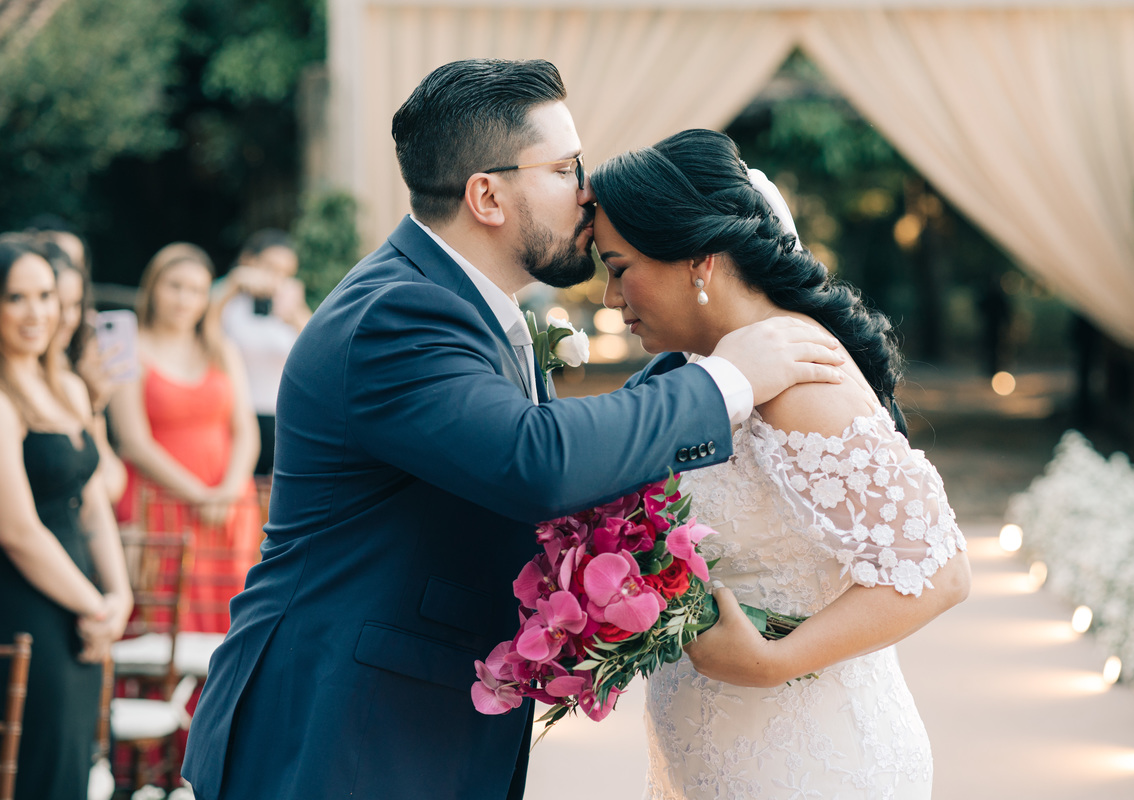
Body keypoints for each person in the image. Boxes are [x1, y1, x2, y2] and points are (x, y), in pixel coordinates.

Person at [182, 58, 846, 800]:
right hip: (341, 731)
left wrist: (706, 344)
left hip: (401, 720)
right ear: (487, 195)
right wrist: (727, 381)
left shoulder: (460, 302)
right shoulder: (396, 315)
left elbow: (532, 437)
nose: (589, 189)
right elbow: (535, 460)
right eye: (566, 167)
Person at [590, 129, 971, 799]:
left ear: (698, 261)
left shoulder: (801, 377)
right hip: (711, 754)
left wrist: (773, 661)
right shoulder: (694, 374)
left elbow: (940, 569)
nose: (609, 299)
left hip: (810, 764)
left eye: (619, 268)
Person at [0, 236, 133, 800]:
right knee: (41, 765)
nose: (37, 313)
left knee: (77, 761)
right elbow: (18, 530)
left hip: (84, 605)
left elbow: (95, 504)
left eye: (46, 295)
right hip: (28, 606)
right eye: (15, 298)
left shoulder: (71, 387)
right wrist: (93, 603)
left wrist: (120, 595)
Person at [109, 243, 261, 633]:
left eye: (196, 289)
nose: (185, 299)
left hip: (227, 509)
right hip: (159, 503)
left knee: (230, 616)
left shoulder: (221, 349)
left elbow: (246, 430)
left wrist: (226, 492)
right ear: (152, 288)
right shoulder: (127, 349)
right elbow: (134, 442)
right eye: (174, 286)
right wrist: (199, 496)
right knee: (164, 624)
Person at [210, 229, 311, 477]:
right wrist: (233, 284)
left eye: (286, 273)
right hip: (233, 416)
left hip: (280, 418)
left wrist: (297, 314)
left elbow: (320, 354)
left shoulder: (290, 309)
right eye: (270, 267)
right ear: (248, 261)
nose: (276, 278)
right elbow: (204, 326)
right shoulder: (227, 300)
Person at [37, 235, 128, 503]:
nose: (68, 318)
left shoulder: (71, 378)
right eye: (58, 304)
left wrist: (94, 405)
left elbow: (109, 482)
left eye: (76, 305)